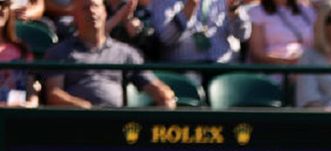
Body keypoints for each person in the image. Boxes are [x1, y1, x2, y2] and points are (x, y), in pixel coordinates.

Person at [42, 0, 176, 108]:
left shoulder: (125, 53)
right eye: (85, 8)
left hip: (117, 126)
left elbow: (151, 83)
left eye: (96, 6)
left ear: (105, 12)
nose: (92, 12)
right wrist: (83, 108)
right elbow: (54, 94)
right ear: (74, 16)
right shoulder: (59, 52)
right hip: (77, 126)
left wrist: (164, 94)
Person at [150, 0, 252, 64]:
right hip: (185, 69)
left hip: (224, 66)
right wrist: (189, 9)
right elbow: (166, 38)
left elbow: (243, 36)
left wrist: (233, 11)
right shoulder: (164, 1)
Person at [246, 0, 317, 69]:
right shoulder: (257, 12)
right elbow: (257, 54)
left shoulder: (308, 11)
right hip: (275, 70)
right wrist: (288, 63)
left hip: (309, 66)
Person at [0, 0, 38, 107]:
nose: (0, 10)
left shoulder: (22, 50)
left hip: (14, 116)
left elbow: (31, 90)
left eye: (4, 6)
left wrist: (31, 103)